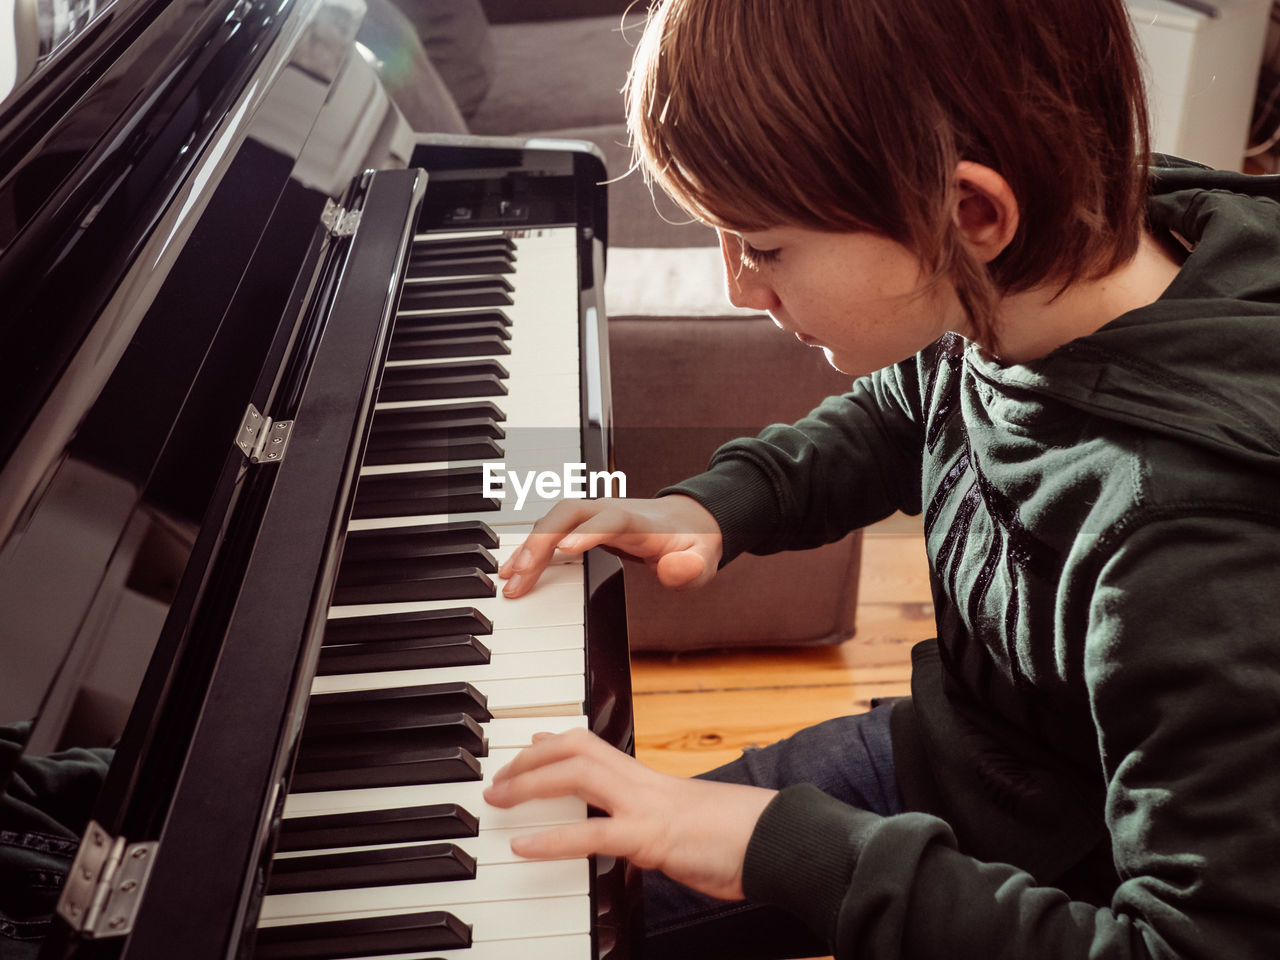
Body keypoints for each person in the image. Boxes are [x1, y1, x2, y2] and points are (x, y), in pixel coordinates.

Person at [482, 0, 1280, 957]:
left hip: (1060, 890)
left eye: (765, 246)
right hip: (972, 762)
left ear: (970, 214)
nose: (740, 286)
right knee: (549, 875)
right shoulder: (1060, 259)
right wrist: (722, 503)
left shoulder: (1192, 547)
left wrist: (791, 850)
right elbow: (916, 403)